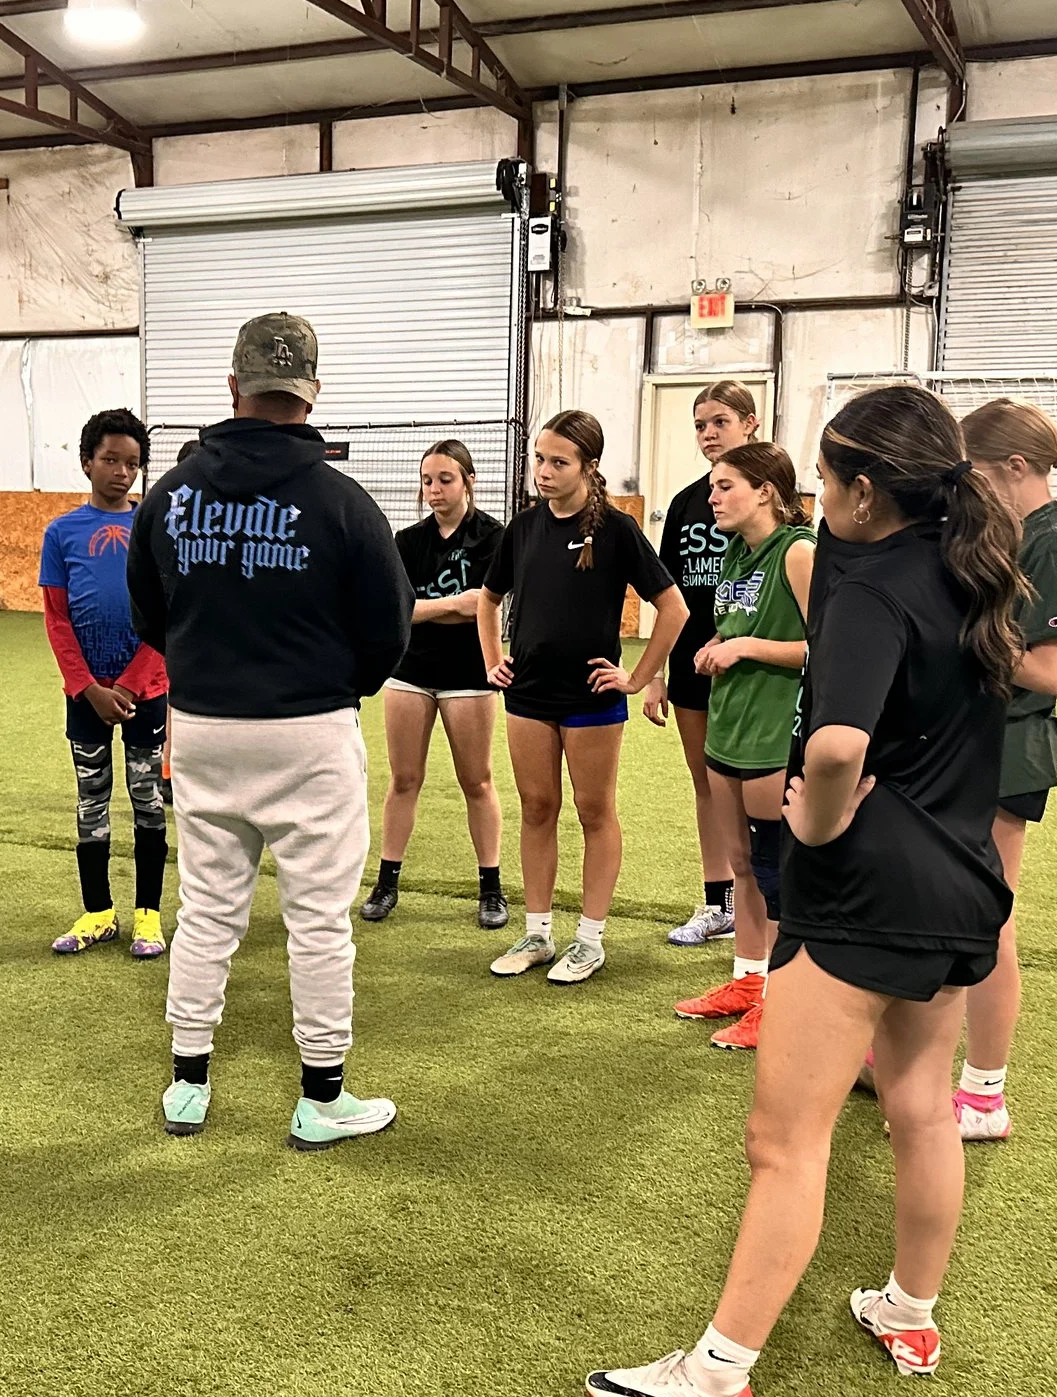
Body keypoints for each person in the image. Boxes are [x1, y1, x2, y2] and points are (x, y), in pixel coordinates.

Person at [584, 384, 1023, 1397]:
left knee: (784, 1141)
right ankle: (908, 1311)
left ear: (866, 492)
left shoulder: (868, 585)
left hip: (867, 897)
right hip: (963, 890)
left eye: (827, 478)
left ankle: (717, 1371)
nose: (818, 496)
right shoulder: (974, 572)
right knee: (922, 1113)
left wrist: (818, 830)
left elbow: (833, 747)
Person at [126, 313, 414, 1150]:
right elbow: (389, 629)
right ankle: (321, 1096)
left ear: (232, 386)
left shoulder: (170, 495)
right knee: (318, 918)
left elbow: (151, 612)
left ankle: (188, 1081)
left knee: (208, 908)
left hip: (204, 724)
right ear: (313, 394)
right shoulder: (344, 500)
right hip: (310, 728)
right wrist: (335, 689)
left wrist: (206, 670)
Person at [479, 410, 688, 986]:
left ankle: (590, 939)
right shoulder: (521, 528)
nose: (543, 471)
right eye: (539, 459)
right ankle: (538, 933)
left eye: (558, 462)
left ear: (589, 468)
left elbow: (673, 609)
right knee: (537, 807)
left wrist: (637, 677)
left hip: (592, 699)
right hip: (527, 695)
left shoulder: (618, 531)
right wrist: (493, 658)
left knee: (595, 811)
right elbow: (487, 600)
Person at [954, 399, 1057, 1142]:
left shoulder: (1054, 541)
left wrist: (959, 640)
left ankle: (985, 1095)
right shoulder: (1016, 532)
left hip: (1011, 750)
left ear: (1014, 468)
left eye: (977, 474)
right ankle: (909, 1065)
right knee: (955, 912)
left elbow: (1048, 670)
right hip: (978, 741)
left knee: (990, 923)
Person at [670, 443, 816, 1050]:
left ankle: (783, 1003)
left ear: (765, 491)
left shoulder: (799, 553)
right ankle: (747, 982)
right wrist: (714, 645)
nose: (712, 498)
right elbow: (735, 624)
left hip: (772, 734)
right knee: (739, 867)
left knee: (773, 872)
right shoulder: (737, 552)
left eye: (725, 486)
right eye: (712, 487)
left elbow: (825, 649)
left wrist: (746, 649)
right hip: (728, 724)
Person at [363, 440, 508, 930]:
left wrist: (436, 608)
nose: (434, 490)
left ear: (469, 480)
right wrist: (453, 606)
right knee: (404, 780)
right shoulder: (407, 541)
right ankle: (386, 883)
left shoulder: (494, 538)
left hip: (470, 674)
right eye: (427, 480)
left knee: (478, 781)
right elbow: (400, 610)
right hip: (410, 673)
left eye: (445, 479)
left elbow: (486, 606)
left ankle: (491, 889)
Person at [42, 408, 171, 958]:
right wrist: (88, 687)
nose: (122, 472)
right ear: (86, 462)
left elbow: (168, 615)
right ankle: (98, 911)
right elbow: (56, 617)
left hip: (147, 690)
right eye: (111, 460)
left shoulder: (154, 529)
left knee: (147, 798)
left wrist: (134, 683)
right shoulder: (61, 533)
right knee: (91, 800)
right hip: (86, 695)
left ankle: (148, 916)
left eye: (133, 463)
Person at [648, 382, 762, 949]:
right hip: (693, 658)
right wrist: (660, 674)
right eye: (700, 425)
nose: (708, 434)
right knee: (708, 784)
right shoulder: (688, 502)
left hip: (755, 667)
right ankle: (718, 903)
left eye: (719, 421)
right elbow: (667, 592)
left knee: (759, 786)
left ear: (751, 422)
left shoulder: (772, 503)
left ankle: (761, 903)